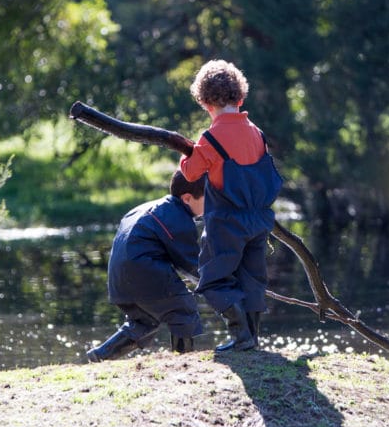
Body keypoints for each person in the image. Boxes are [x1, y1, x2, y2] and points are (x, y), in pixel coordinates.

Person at [180, 59, 283, 352]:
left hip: (226, 222)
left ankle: (240, 335)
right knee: (253, 279)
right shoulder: (257, 133)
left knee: (211, 279)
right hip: (259, 221)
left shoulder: (210, 138)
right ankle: (252, 338)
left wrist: (187, 153)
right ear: (240, 97)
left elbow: (190, 173)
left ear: (204, 101)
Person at [86, 169, 206, 362]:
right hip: (144, 274)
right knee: (183, 308)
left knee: (144, 321)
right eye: (207, 199)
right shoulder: (179, 218)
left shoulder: (148, 208)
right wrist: (221, 281)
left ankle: (100, 356)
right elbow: (191, 265)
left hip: (118, 280)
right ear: (187, 198)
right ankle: (185, 362)